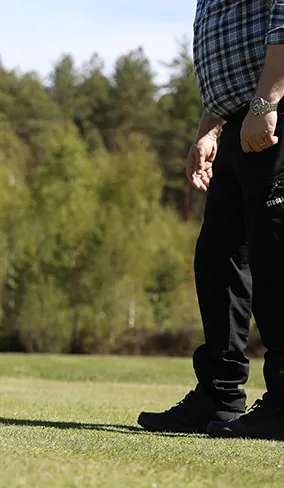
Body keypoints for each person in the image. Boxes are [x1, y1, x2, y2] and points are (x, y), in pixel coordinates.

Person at [137, 0, 284, 440]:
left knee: (275, 256)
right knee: (218, 259)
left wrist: (266, 101)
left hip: (270, 113)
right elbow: (226, 51)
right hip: (241, 120)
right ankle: (218, 397)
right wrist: (209, 125)